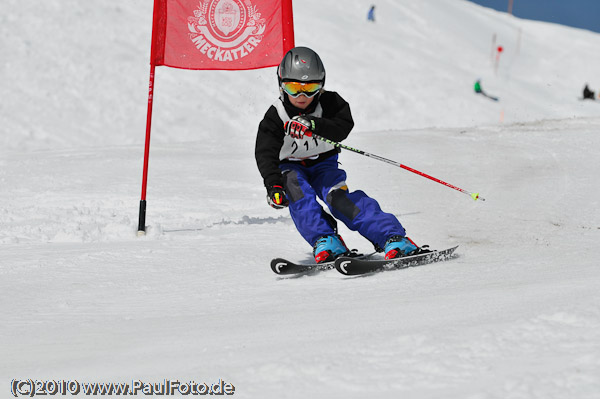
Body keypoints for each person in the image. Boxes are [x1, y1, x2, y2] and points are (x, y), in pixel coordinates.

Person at [254, 46, 422, 263]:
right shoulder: (276, 115)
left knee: (339, 200)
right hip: (291, 167)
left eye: (311, 87)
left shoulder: (330, 103)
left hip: (325, 165)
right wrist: (273, 185)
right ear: (281, 84)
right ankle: (325, 239)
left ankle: (392, 237)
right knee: (298, 195)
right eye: (294, 87)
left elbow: (343, 127)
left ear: (321, 85)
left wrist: (314, 124)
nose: (302, 95)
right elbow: (265, 153)